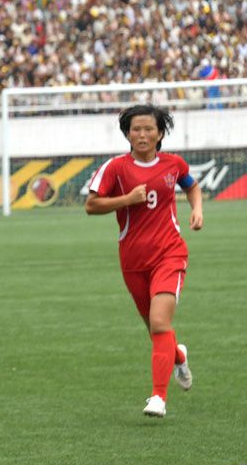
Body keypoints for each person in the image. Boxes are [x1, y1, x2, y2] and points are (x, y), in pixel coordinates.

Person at [86, 104, 203, 418]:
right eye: (135, 129)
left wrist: (197, 209)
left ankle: (158, 397)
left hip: (170, 253)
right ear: (127, 133)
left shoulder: (174, 164)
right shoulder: (115, 168)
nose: (142, 134)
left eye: (148, 129)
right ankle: (178, 356)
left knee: (159, 323)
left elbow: (191, 186)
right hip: (133, 261)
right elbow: (91, 205)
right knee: (156, 331)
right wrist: (126, 200)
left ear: (160, 133)